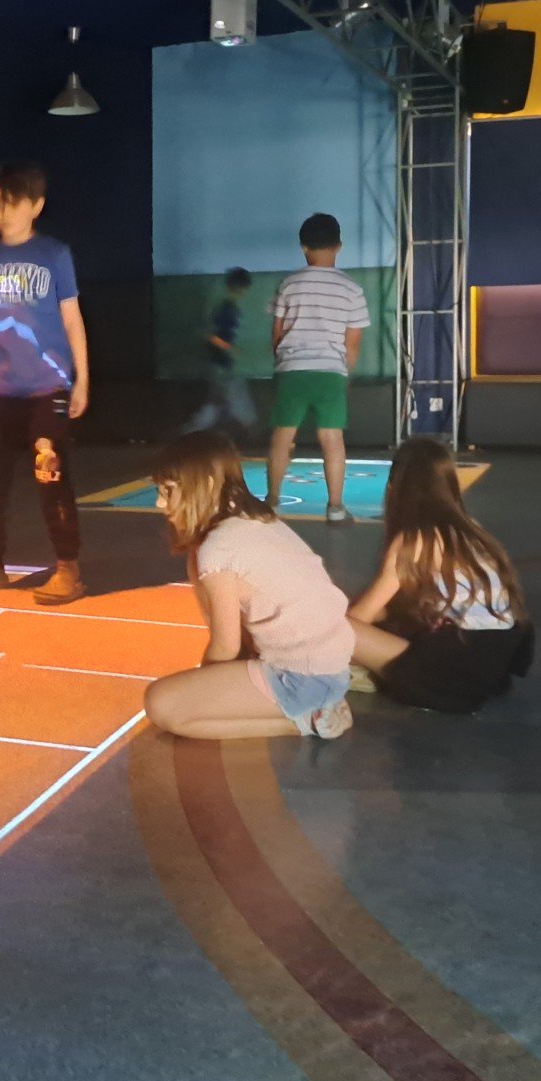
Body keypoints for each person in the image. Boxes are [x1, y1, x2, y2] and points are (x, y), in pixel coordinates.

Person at [142, 432, 355, 740]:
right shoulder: (254, 518)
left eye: (169, 490)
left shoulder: (217, 548)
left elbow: (225, 646)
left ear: (208, 485)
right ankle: (316, 708)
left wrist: (203, 688)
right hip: (331, 667)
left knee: (161, 705)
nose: (160, 503)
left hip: (301, 677)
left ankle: (310, 720)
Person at [0, 161, 90, 606]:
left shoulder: (54, 255)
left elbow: (72, 317)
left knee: (50, 474)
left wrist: (83, 378)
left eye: (13, 203)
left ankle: (67, 567)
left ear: (36, 205)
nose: (3, 212)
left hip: (49, 388)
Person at [345, 438, 533, 714]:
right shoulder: (470, 529)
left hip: (454, 669)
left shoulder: (417, 539)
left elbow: (357, 619)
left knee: (332, 628)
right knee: (386, 616)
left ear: (395, 486)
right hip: (495, 662)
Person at [268, 212, 370, 523]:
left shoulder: (289, 283)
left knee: (283, 436)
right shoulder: (352, 289)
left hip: (292, 370)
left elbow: (277, 332)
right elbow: (353, 341)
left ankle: (272, 501)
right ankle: (335, 507)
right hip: (330, 372)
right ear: (339, 246)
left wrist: (282, 363)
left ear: (303, 247)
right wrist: (345, 372)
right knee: (332, 439)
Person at [182, 267, 256, 436]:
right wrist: (229, 348)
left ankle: (191, 431)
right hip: (220, 361)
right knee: (232, 398)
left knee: (217, 401)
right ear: (240, 287)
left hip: (219, 361)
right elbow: (210, 334)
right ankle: (251, 429)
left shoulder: (226, 306)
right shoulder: (227, 308)